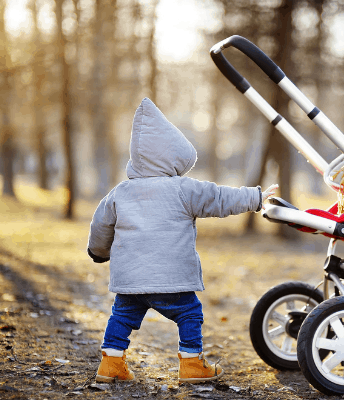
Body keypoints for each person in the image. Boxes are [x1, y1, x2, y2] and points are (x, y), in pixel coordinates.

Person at [87, 97, 278, 384]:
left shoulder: (120, 192)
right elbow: (218, 198)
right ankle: (190, 363)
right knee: (189, 312)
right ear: (172, 156)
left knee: (122, 316)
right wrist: (255, 197)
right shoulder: (182, 189)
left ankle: (111, 362)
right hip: (171, 279)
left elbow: (100, 225)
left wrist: (98, 252)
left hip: (131, 281)